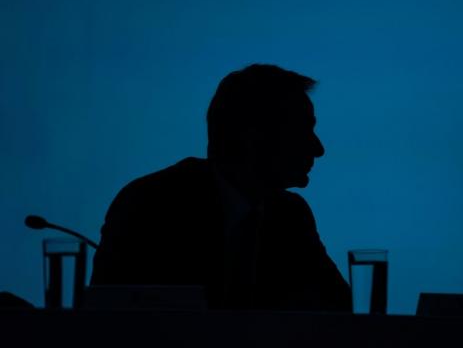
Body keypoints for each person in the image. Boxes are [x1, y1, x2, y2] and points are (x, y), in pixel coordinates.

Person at [90, 64, 351, 311]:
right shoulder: (150, 206)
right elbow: (107, 322)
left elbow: (341, 310)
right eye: (302, 130)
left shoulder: (291, 216)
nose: (318, 149)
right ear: (253, 135)